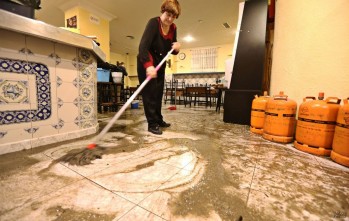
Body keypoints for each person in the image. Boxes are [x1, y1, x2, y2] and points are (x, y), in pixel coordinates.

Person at [137, 0, 181, 135]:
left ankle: (158, 119)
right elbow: (143, 47)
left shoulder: (173, 28)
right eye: (168, 14)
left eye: (174, 16)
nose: (170, 19)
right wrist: (148, 66)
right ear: (163, 11)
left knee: (158, 93)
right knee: (149, 94)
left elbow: (171, 49)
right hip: (147, 62)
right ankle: (152, 123)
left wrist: (177, 48)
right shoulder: (153, 23)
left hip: (160, 63)